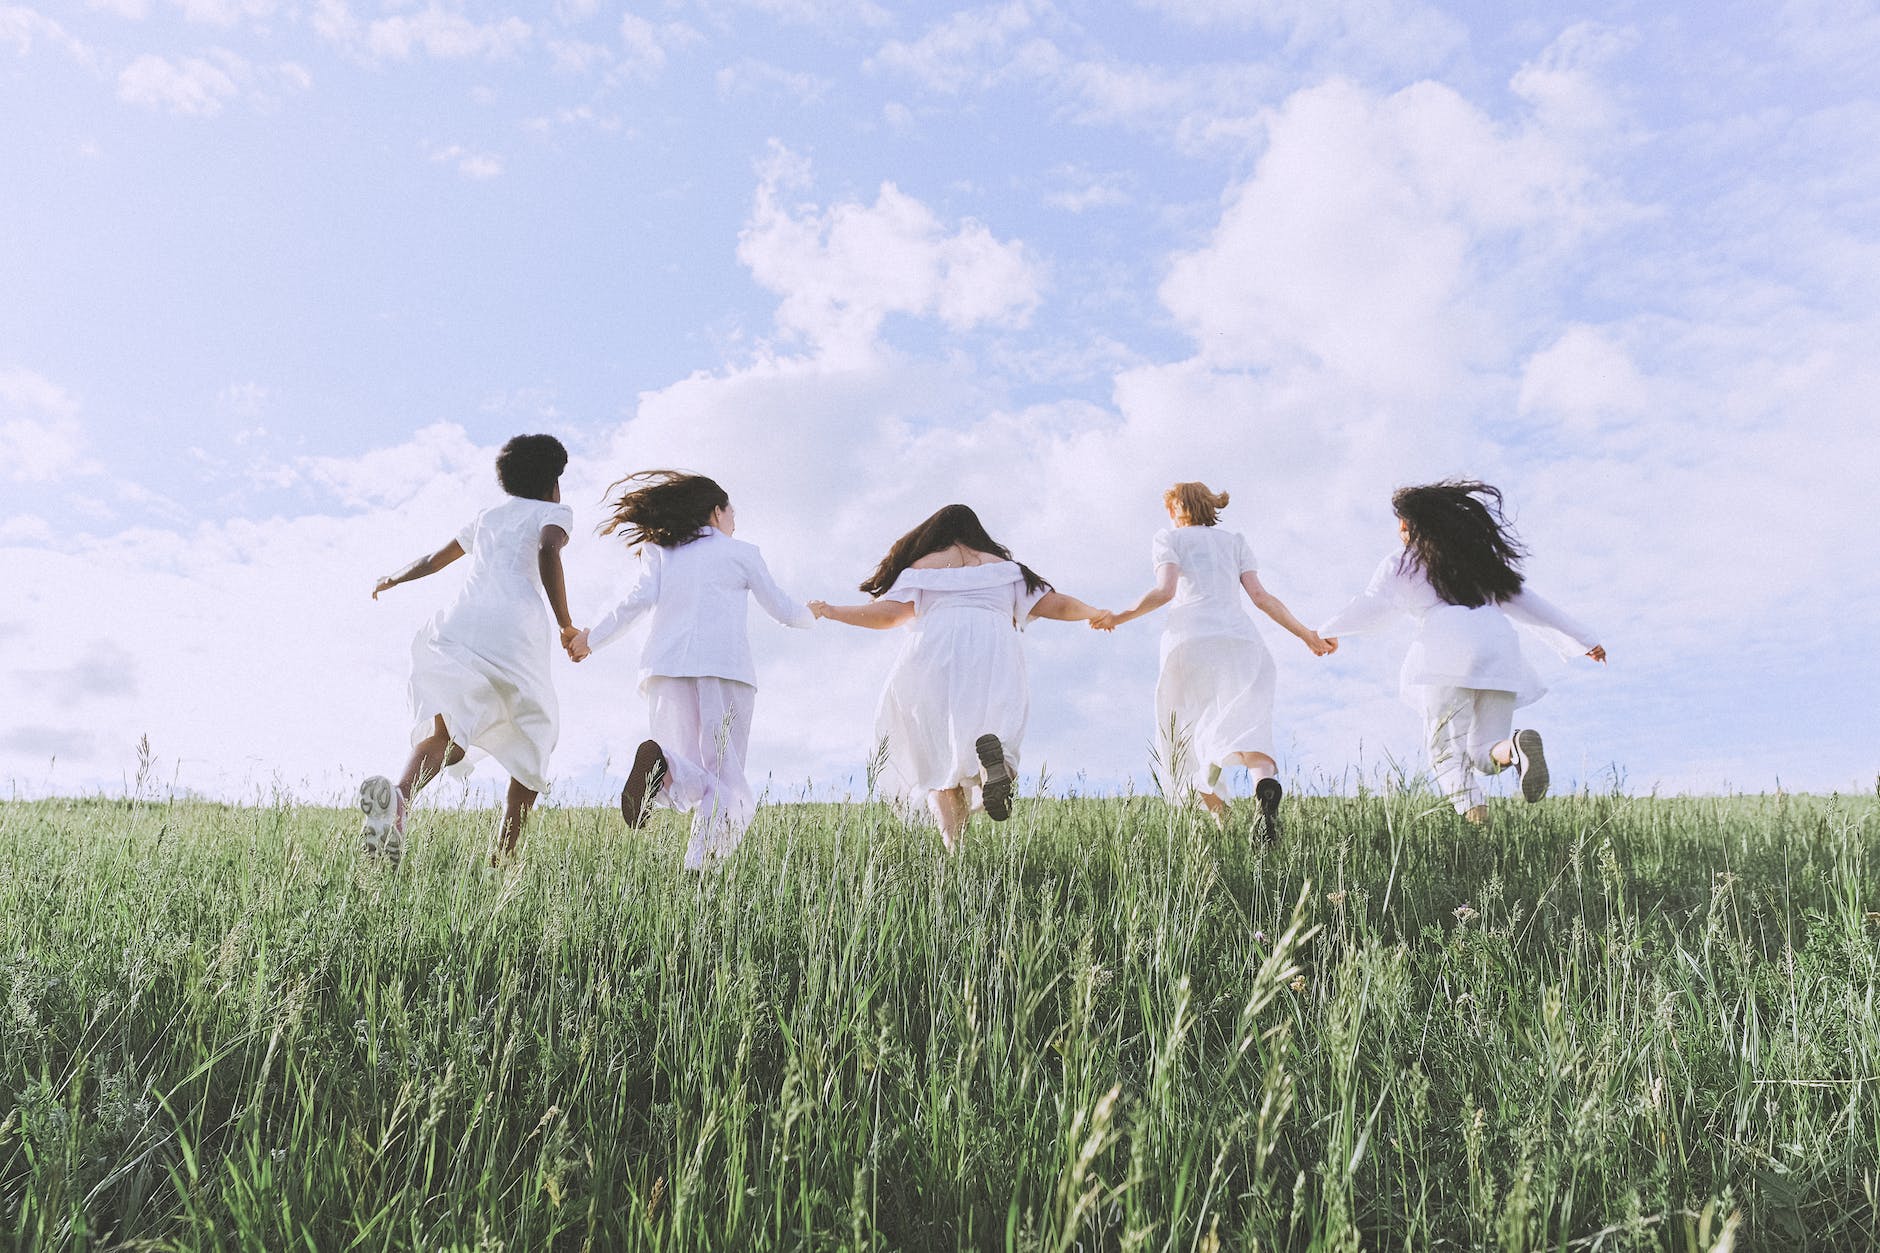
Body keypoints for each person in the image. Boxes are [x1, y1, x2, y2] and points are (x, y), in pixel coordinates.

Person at [810, 504, 1106, 851]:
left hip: (934, 656)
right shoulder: (1006, 571)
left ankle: (956, 849)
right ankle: (997, 765)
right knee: (995, 724)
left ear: (933, 535)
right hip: (993, 652)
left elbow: (887, 615)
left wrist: (832, 611)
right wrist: (1095, 612)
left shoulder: (923, 569)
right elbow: (1055, 604)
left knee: (938, 758)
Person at [565, 471, 811, 871]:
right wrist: (813, 614)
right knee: (727, 780)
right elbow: (785, 611)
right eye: (732, 513)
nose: (735, 522)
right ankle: (700, 871)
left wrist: (591, 639)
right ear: (716, 511)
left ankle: (663, 761)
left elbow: (636, 602)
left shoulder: (661, 551)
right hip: (724, 669)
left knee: (691, 775)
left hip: (665, 669)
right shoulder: (742, 553)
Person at [1319, 480, 1606, 823]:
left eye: (1401, 524)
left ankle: (1479, 832)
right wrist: (1585, 640)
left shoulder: (1404, 562)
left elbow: (1375, 605)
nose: (1399, 532)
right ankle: (1515, 748)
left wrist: (1327, 631)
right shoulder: (1480, 562)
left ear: (1413, 525)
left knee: (1445, 754)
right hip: (1500, 649)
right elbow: (1530, 604)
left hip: (1448, 649)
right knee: (1485, 753)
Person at [360, 433, 578, 864]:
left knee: (448, 732)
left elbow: (433, 560)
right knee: (535, 732)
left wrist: (392, 578)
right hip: (514, 631)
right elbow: (548, 549)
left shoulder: (488, 517)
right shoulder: (554, 512)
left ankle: (399, 799)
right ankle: (503, 857)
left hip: (462, 624)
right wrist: (566, 624)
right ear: (552, 484)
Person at [1092, 482, 1332, 841]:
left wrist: (1118, 617)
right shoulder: (1235, 542)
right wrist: (1307, 635)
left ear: (1176, 509)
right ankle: (1263, 784)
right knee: (1250, 723)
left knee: (1184, 737)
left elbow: (1165, 591)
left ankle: (1222, 816)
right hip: (1240, 640)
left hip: (1189, 641)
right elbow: (1261, 597)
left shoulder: (1169, 539)